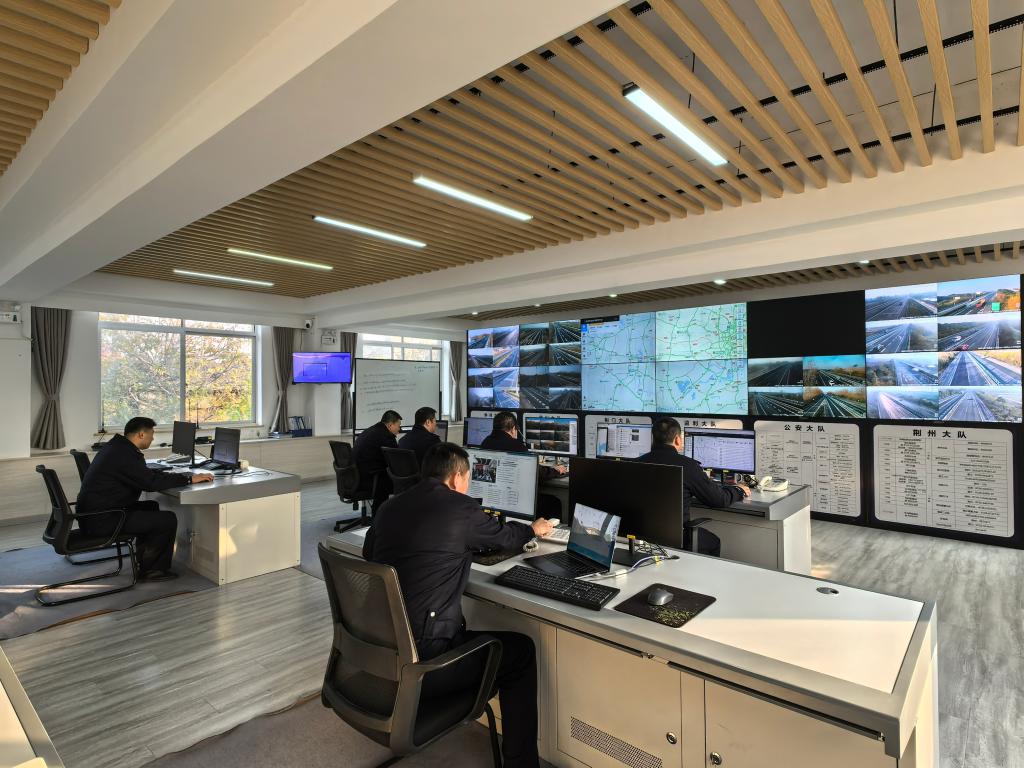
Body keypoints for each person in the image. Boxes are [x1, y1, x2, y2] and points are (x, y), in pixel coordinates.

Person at [364, 443, 554, 768]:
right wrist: (533, 529)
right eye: (468, 479)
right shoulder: (461, 508)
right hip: (428, 663)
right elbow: (506, 538)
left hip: (379, 655)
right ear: (456, 478)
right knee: (521, 651)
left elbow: (371, 554)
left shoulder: (389, 506)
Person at [76, 416, 214, 580]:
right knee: (167, 519)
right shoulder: (125, 455)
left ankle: (146, 560)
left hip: (96, 514)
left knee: (151, 507)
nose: (153, 438)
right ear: (141, 434)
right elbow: (150, 482)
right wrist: (189, 479)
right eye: (152, 434)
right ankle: (153, 571)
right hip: (103, 520)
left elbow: (144, 475)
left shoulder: (117, 447)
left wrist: (178, 476)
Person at [635, 417, 750, 557]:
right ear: (678, 439)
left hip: (640, 536)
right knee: (713, 542)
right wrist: (738, 490)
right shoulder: (688, 466)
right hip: (676, 537)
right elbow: (719, 499)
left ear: (653, 438)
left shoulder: (636, 463)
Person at [480, 411, 565, 519]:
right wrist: (556, 470)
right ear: (513, 429)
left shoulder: (485, 443)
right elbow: (535, 473)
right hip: (513, 501)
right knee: (554, 502)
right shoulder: (516, 446)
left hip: (491, 499)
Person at [353, 409, 401, 509]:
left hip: (356, 477)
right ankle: (388, 514)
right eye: (398, 425)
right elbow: (396, 462)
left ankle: (380, 513)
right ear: (390, 425)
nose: (399, 429)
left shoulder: (371, 431)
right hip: (370, 479)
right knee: (404, 481)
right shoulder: (387, 437)